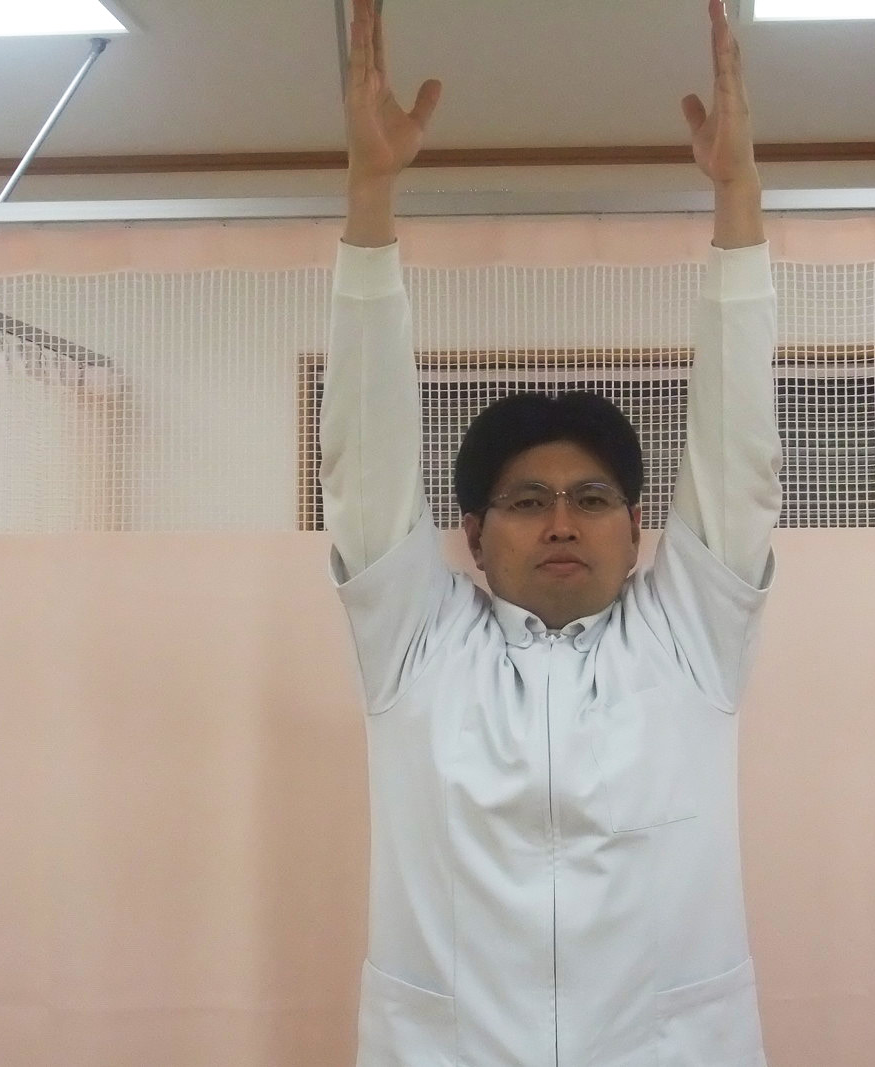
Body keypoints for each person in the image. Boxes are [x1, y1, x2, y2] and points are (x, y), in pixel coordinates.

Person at [320, 0, 779, 1062]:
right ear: (473, 533)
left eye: (593, 498)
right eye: (528, 501)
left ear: (639, 528)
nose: (563, 521)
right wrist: (370, 199)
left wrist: (738, 202)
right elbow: (364, 458)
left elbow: (739, 452)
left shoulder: (690, 639)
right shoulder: (417, 645)